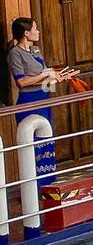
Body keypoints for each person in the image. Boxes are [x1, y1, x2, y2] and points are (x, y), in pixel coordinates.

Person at [8, 17, 76, 188]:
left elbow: (44, 78)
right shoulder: (15, 53)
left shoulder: (36, 50)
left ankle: (48, 185)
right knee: (34, 145)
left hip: (44, 98)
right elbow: (21, 82)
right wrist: (47, 75)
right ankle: (34, 188)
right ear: (26, 33)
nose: (37, 32)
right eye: (35, 29)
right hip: (28, 101)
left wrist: (57, 78)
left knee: (47, 141)